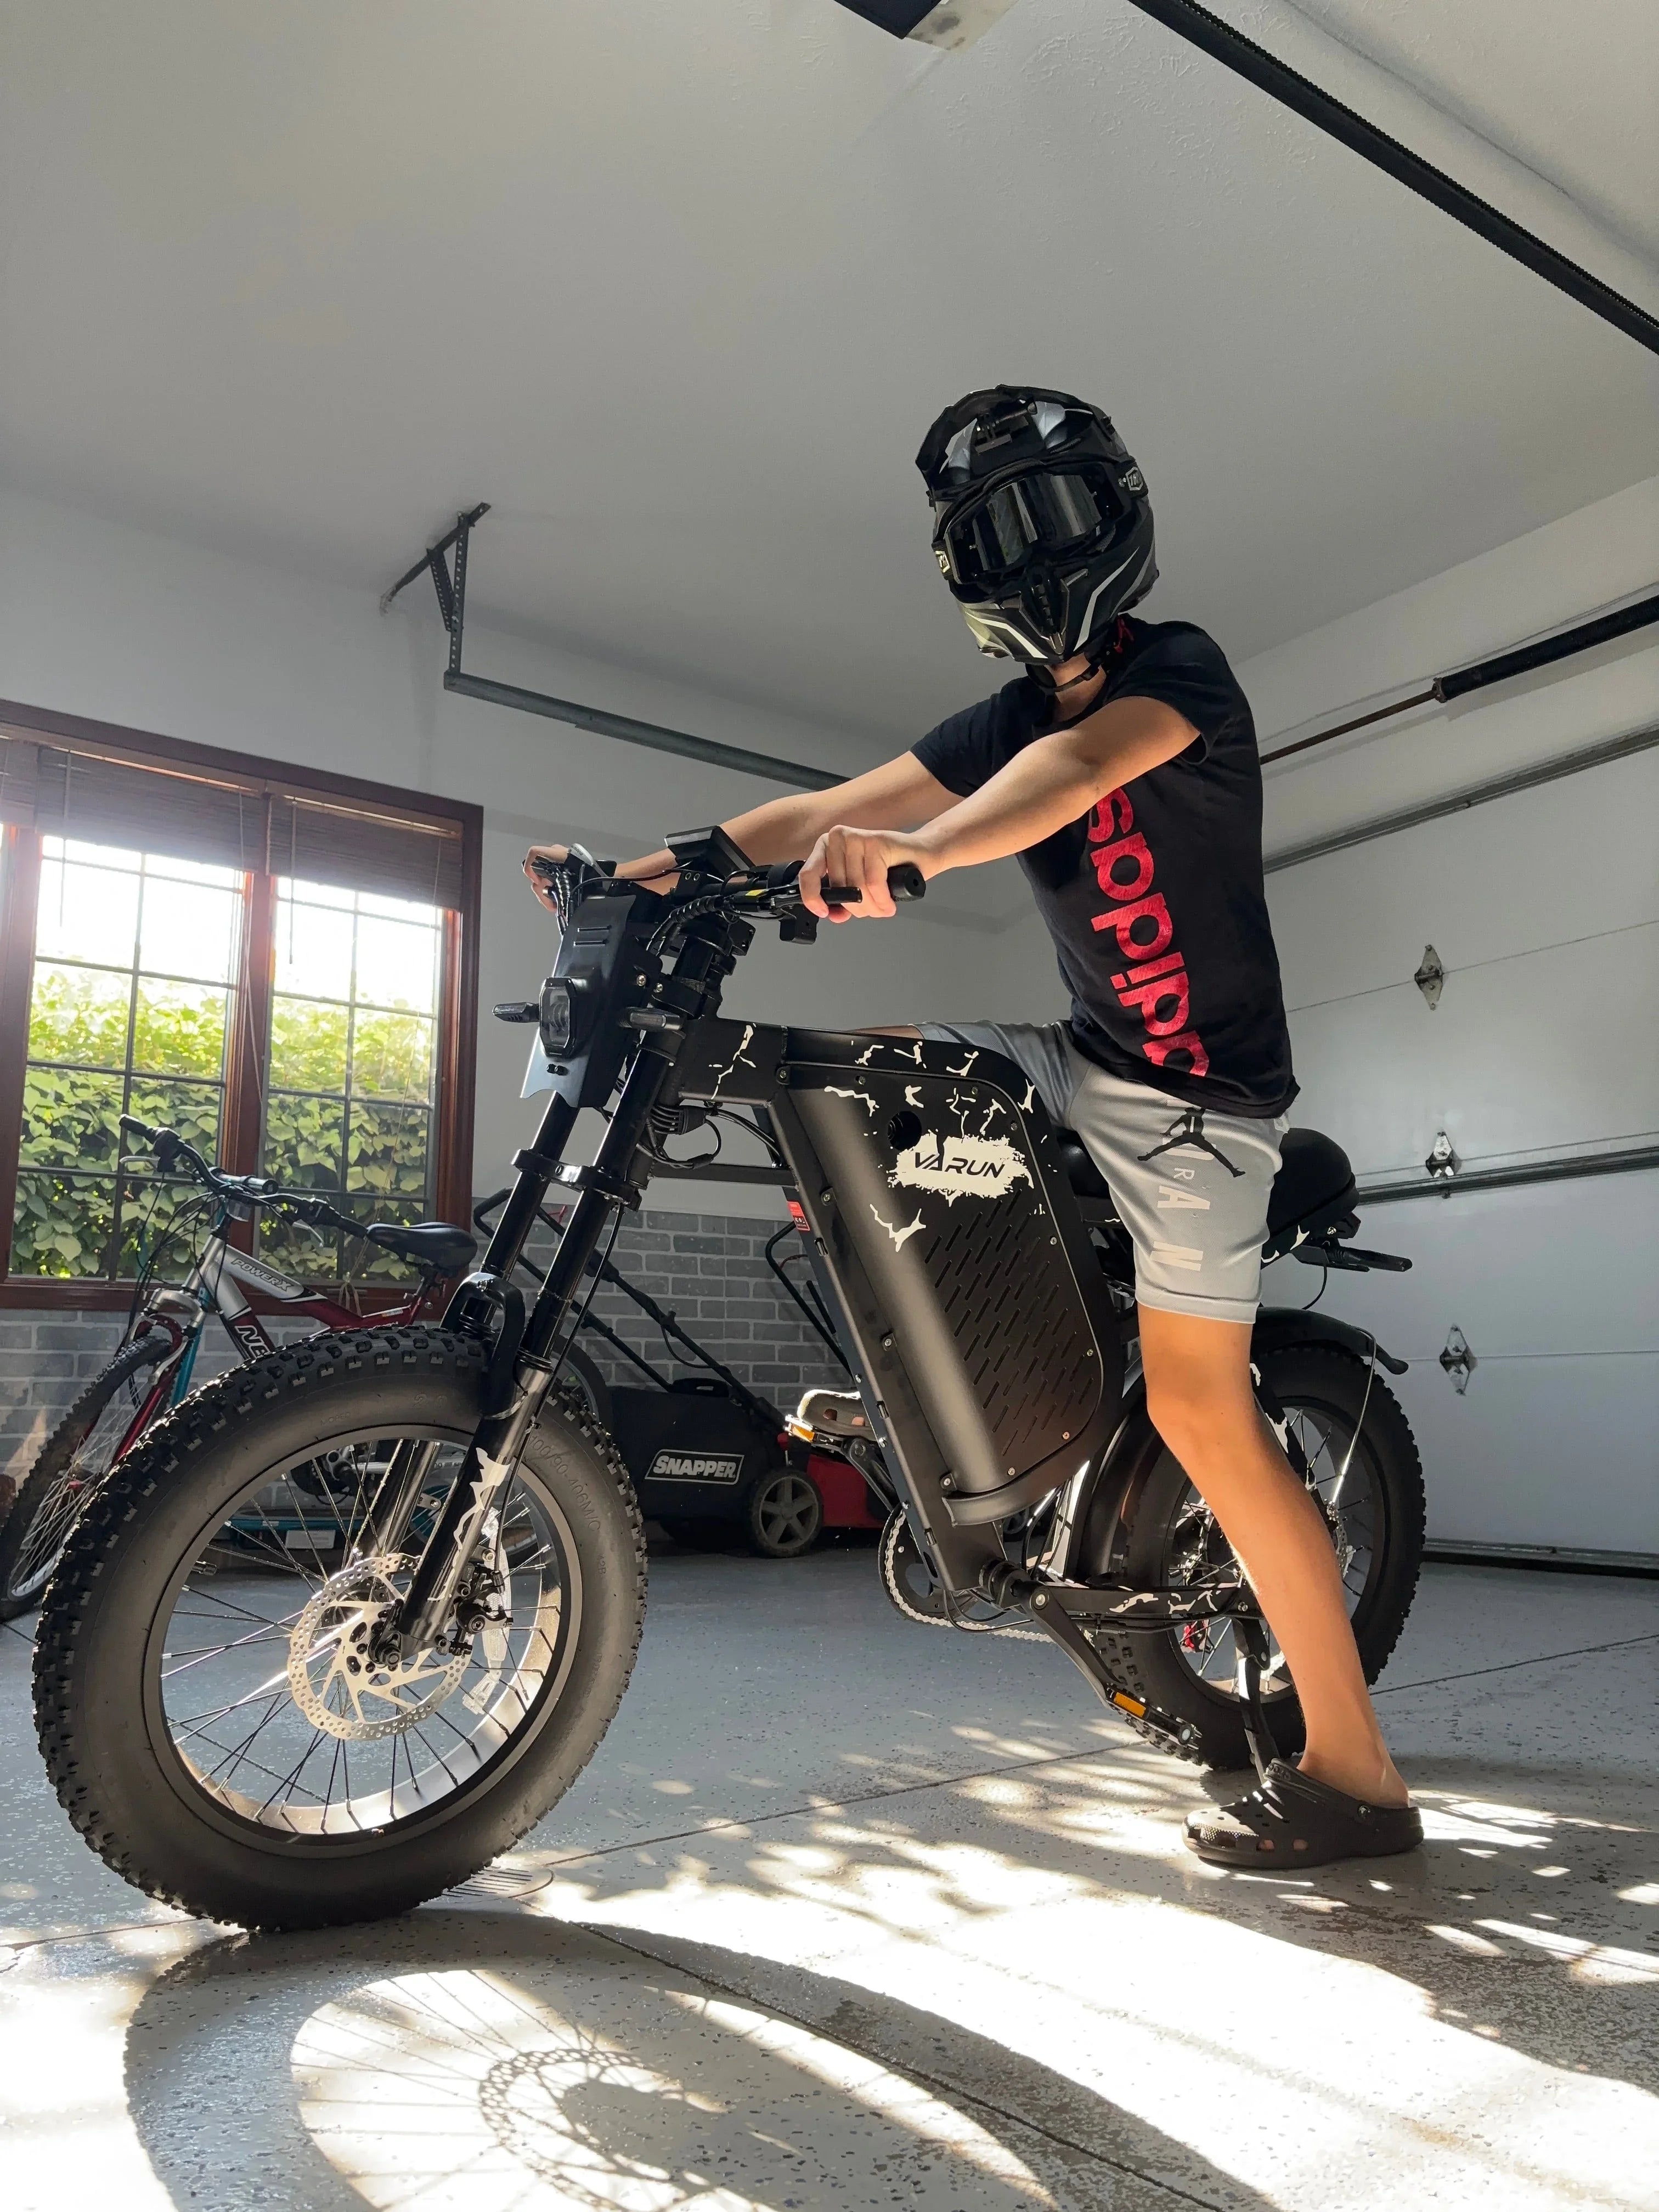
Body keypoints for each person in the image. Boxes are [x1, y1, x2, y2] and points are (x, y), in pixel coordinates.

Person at [526, 384, 1419, 1869]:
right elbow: (824, 804)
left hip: (1198, 1104)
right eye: (997, 532)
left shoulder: (1177, 675)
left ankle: (1359, 1775)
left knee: (1206, 1409)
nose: (1033, 553)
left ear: (1115, 521)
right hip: (1082, 1054)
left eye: (1052, 517)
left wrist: (923, 854)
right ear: (966, 576)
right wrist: (631, 877)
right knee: (850, 1070)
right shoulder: (1006, 713)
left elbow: (1059, 783)